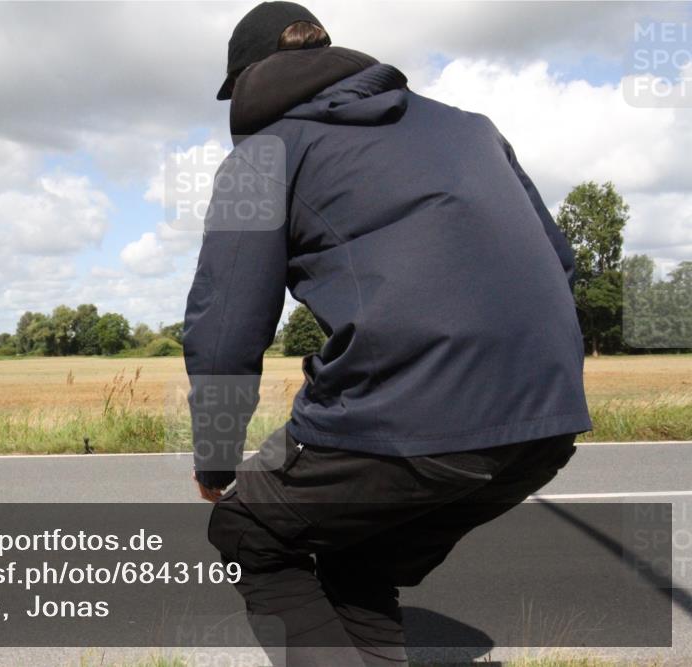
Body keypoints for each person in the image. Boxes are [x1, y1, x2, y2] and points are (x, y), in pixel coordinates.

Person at [182, 2, 592, 665]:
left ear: (249, 81)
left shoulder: (266, 154)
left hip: (409, 421)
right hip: (550, 420)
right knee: (357, 563)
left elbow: (226, 324)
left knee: (248, 531)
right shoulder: (471, 129)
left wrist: (215, 457)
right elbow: (560, 261)